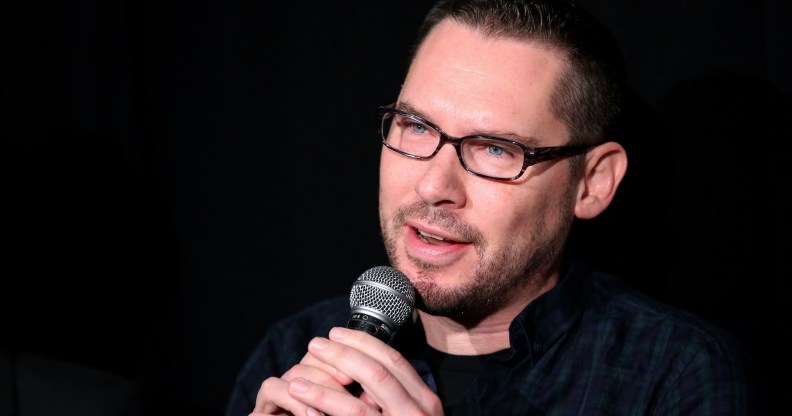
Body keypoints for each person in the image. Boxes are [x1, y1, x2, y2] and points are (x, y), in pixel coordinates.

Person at [225, 0, 762, 414]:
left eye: (495, 150)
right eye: (416, 127)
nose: (434, 185)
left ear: (593, 184)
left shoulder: (674, 375)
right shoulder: (296, 352)